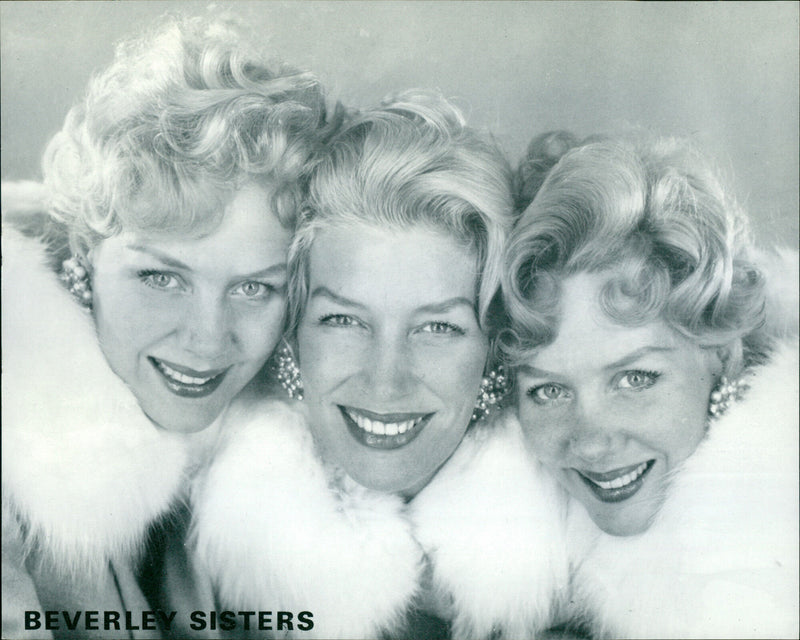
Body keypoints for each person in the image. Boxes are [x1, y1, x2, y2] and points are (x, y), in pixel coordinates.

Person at [1, 15, 325, 639]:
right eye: (161, 279)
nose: (207, 338)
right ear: (83, 254)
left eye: (254, 287)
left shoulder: (284, 445)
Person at [411, 132, 798, 639]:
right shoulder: (474, 577)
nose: (590, 442)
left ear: (723, 357)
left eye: (634, 379)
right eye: (548, 391)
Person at [188, 91, 515, 639]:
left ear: (494, 353)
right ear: (292, 333)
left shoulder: (584, 576)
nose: (385, 381)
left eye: (438, 327)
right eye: (344, 320)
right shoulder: (189, 567)